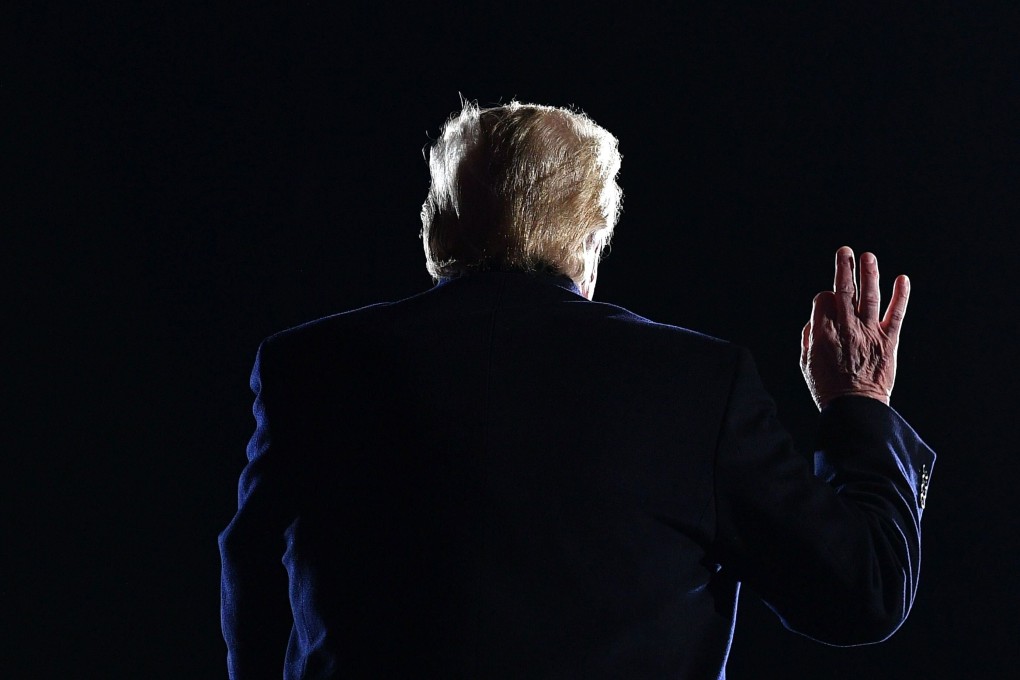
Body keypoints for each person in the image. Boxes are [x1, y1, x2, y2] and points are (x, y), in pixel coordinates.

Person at [219, 101, 934, 679]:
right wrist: (858, 403)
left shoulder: (307, 367)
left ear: (437, 229)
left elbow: (252, 572)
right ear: (591, 240)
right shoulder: (696, 384)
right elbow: (862, 593)